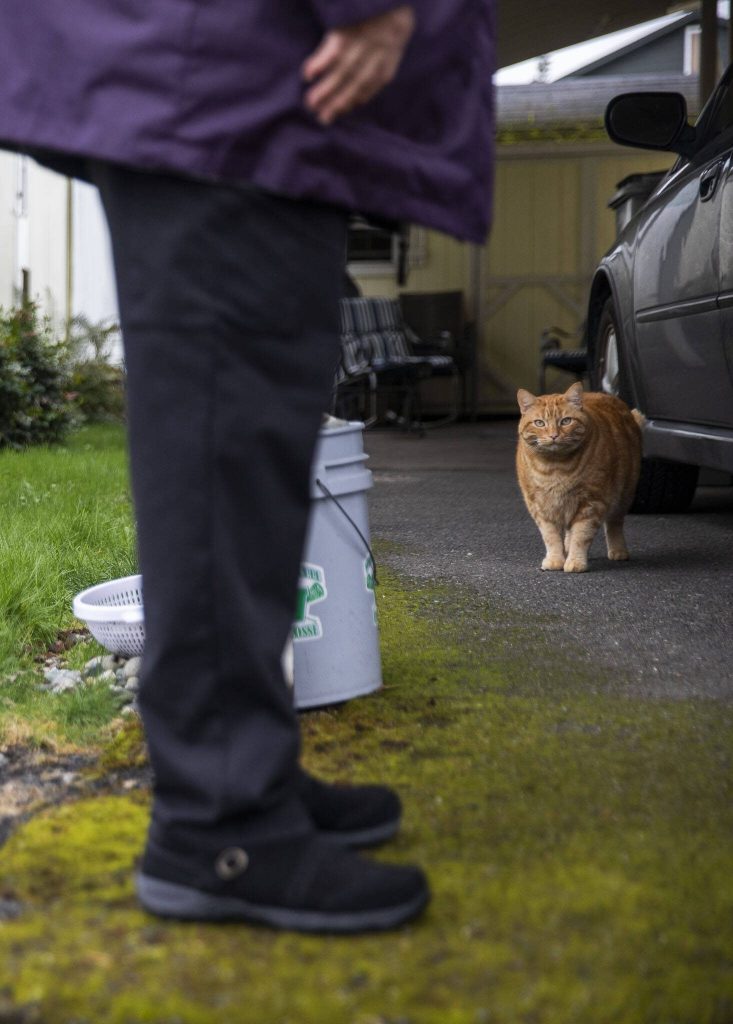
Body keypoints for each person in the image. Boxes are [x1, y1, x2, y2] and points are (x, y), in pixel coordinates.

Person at [0, 1, 495, 932]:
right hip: (222, 64)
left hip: (237, 71)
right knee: (226, 436)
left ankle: (243, 769)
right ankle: (219, 824)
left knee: (256, 438)